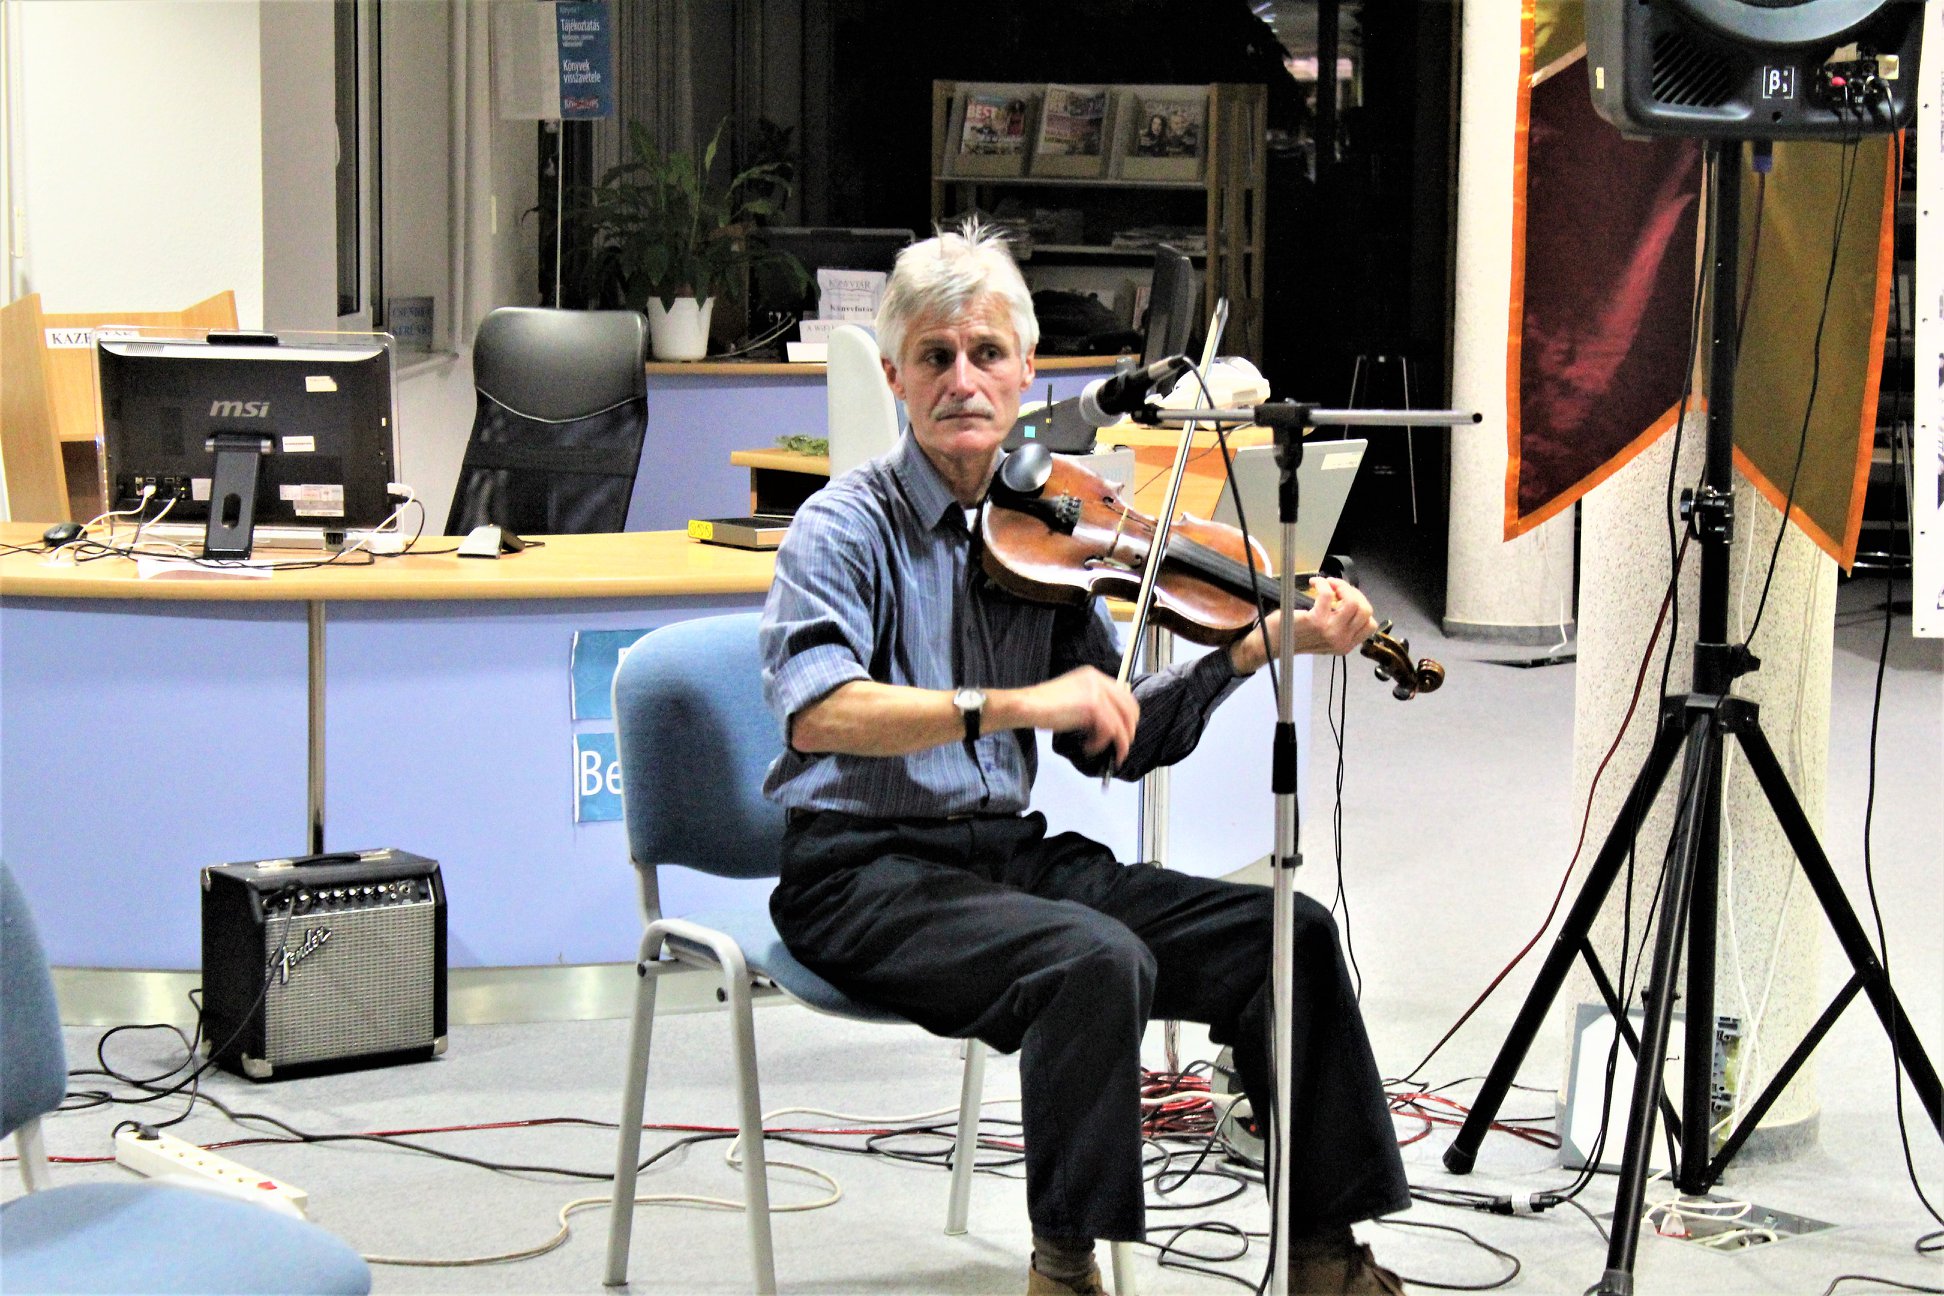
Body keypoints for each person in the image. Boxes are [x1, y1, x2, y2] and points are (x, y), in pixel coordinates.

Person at [759, 219, 1409, 1296]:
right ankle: (1065, 1272)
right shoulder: (842, 527)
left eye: (987, 353)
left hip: (1002, 857)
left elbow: (1122, 742)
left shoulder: (1050, 530)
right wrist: (1010, 703)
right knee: (1093, 959)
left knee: (1286, 935)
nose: (962, 380)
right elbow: (821, 713)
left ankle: (1324, 1259)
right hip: (858, 873)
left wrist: (1251, 649)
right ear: (894, 378)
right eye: (934, 356)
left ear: (1025, 371)